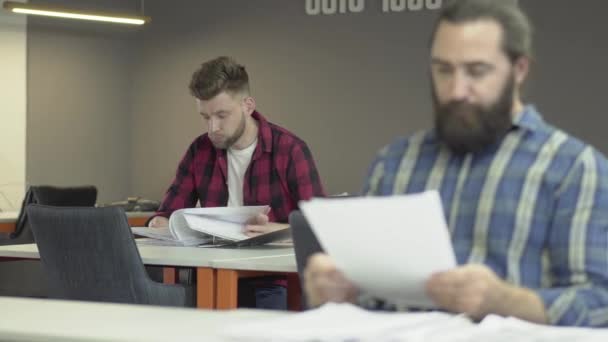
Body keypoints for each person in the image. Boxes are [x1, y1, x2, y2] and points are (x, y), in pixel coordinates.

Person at [303, 0, 608, 327]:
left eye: (476, 71)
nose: (456, 90)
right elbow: (369, 300)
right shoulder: (393, 164)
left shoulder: (574, 168)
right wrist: (337, 293)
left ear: (518, 70)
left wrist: (505, 300)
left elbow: (599, 303)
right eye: (443, 70)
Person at [149, 56, 326, 309]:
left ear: (248, 105)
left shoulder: (289, 149)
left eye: (222, 115)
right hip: (210, 273)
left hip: (271, 279)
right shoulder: (199, 150)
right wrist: (160, 222)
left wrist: (278, 231)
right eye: (205, 117)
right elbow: (167, 212)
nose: (213, 128)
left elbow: (319, 226)